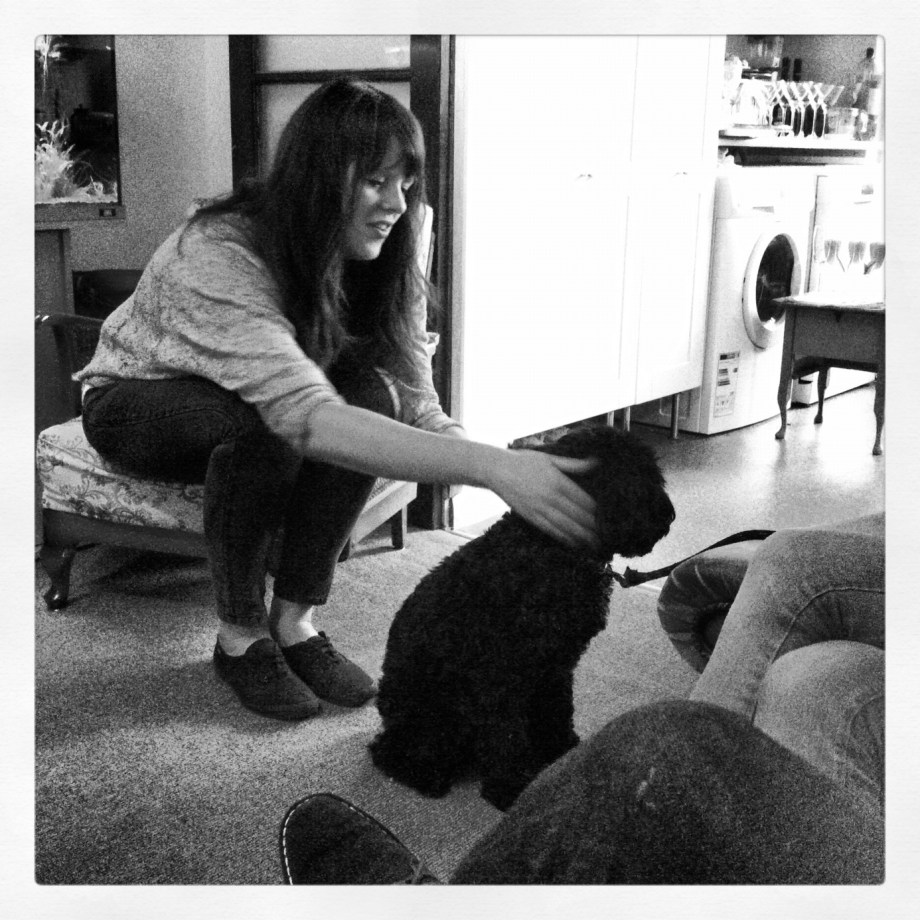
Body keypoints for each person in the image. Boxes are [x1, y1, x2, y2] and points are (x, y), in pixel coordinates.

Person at [75, 79, 599, 721]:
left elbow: (414, 398)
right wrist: (494, 467)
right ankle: (240, 637)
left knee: (373, 396)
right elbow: (301, 417)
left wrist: (503, 478)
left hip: (259, 396)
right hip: (139, 397)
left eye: (405, 183)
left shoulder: (393, 240)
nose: (396, 204)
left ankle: (294, 620)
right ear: (318, 178)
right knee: (266, 424)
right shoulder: (218, 247)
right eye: (376, 182)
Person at [279, 514, 885, 884]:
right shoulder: (518, 573)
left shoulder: (562, 573)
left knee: (663, 744)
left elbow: (544, 672)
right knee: (808, 673)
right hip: (428, 709)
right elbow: (498, 677)